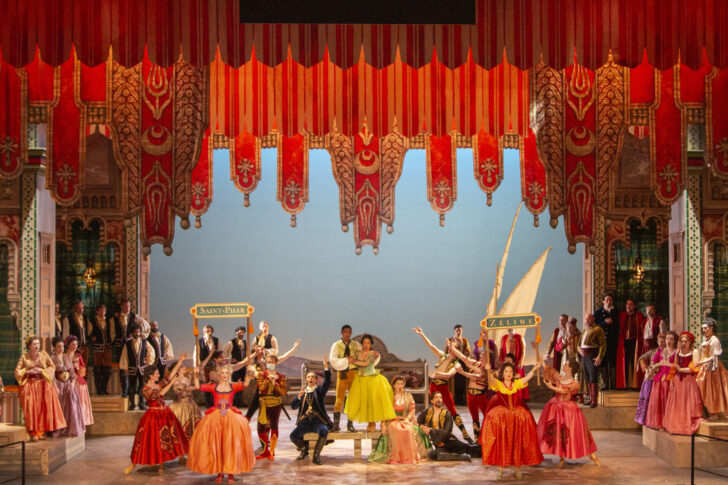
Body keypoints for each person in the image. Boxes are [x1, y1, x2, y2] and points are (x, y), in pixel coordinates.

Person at [187, 363, 256, 484]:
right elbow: (198, 387)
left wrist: (249, 372)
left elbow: (245, 384)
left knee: (230, 445)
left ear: (229, 374)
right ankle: (220, 472)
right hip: (216, 418)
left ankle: (230, 473)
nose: (224, 375)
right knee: (218, 445)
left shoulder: (233, 386)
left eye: (226, 373)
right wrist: (196, 374)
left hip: (230, 418)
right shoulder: (213, 386)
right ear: (219, 374)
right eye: (222, 373)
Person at [480, 353, 544, 480]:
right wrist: (488, 371)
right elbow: (491, 381)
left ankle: (517, 468)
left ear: (513, 374)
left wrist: (534, 369)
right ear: (502, 373)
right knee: (502, 442)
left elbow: (527, 378)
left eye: (510, 371)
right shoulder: (499, 384)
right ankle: (500, 469)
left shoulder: (516, 384)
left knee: (517, 442)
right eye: (506, 371)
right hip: (503, 418)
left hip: (516, 417)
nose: (508, 373)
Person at [124, 355, 189, 476]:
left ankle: (164, 463)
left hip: (165, 413)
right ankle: (133, 464)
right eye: (157, 374)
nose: (159, 375)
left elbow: (170, 376)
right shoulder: (145, 389)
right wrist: (172, 383)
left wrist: (180, 361)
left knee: (169, 438)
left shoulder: (159, 384)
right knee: (150, 440)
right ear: (150, 375)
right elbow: (160, 394)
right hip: (153, 416)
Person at [412, 326, 474, 443]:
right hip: (434, 386)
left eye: (453, 346)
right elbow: (431, 345)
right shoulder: (442, 356)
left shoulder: (456, 363)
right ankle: (434, 435)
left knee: (452, 410)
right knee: (434, 409)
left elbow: (449, 375)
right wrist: (422, 334)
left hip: (443, 387)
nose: (450, 347)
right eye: (450, 345)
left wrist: (437, 374)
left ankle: (465, 435)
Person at [537, 357, 599, 468]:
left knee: (575, 433)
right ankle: (561, 457)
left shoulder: (575, 383)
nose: (564, 366)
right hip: (556, 407)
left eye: (566, 364)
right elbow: (548, 369)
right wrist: (538, 355)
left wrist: (551, 387)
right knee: (557, 432)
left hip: (568, 410)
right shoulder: (560, 378)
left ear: (570, 368)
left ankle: (591, 454)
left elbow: (564, 391)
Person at [369, 375, 430, 464]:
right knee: (398, 429)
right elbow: (384, 411)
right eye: (398, 384)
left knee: (408, 430)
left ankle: (408, 457)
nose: (400, 386)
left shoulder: (408, 396)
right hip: (392, 420)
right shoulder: (389, 396)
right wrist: (383, 424)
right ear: (393, 385)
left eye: (402, 384)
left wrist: (407, 419)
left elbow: (412, 409)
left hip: (404, 419)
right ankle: (397, 457)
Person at [14, 335, 66, 440]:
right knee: (32, 408)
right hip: (30, 385)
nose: (37, 346)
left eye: (38, 343)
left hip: (43, 384)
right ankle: (34, 432)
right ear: (29, 346)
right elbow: (17, 371)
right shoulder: (24, 357)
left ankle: (41, 432)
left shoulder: (44, 354)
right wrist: (27, 371)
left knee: (43, 408)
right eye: (34, 344)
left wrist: (42, 371)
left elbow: (52, 366)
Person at [344, 334, 396, 431]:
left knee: (373, 402)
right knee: (366, 402)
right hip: (361, 379)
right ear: (362, 344)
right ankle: (370, 423)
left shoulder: (373, 353)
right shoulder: (357, 353)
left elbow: (366, 364)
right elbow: (350, 359)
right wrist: (350, 359)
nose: (366, 345)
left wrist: (353, 362)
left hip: (372, 379)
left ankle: (374, 423)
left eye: (368, 343)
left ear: (371, 344)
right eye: (364, 343)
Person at [291, 356, 333, 465]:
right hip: (305, 421)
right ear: (306, 380)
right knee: (293, 436)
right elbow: (293, 406)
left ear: (316, 380)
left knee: (324, 430)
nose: (310, 379)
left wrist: (326, 368)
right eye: (308, 377)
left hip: (317, 420)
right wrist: (298, 397)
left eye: (313, 377)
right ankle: (304, 450)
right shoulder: (303, 393)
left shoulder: (319, 392)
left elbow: (327, 382)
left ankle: (316, 455)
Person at [416, 391, 479, 462]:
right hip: (440, 445)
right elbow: (418, 421)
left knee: (474, 450)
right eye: (436, 397)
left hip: (450, 442)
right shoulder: (427, 412)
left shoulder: (447, 413)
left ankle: (471, 451)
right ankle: (461, 457)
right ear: (432, 401)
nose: (439, 399)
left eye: (440, 397)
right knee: (432, 454)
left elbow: (446, 432)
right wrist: (422, 426)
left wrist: (430, 430)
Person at [447, 339, 490, 439]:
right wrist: (452, 348)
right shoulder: (476, 363)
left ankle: (486, 438)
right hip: (471, 395)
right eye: (482, 354)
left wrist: (463, 372)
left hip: (481, 396)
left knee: (487, 417)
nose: (481, 356)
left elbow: (476, 377)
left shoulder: (488, 370)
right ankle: (477, 440)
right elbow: (463, 358)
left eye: (484, 355)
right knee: (475, 419)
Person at [663, 332, 704, 435]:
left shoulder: (694, 352)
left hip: (689, 380)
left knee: (688, 401)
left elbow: (694, 368)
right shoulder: (678, 352)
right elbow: (674, 367)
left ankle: (687, 424)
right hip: (678, 380)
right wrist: (671, 380)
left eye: (686, 341)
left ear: (690, 342)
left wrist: (681, 369)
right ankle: (677, 424)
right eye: (682, 341)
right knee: (678, 402)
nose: (683, 343)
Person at [113, 299, 150, 398]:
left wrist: (141, 336)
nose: (127, 308)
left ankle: (135, 391)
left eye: (129, 306)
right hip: (120, 345)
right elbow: (112, 331)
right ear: (121, 307)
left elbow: (146, 326)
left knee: (134, 367)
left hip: (132, 345)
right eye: (125, 306)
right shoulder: (116, 317)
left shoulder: (134, 317)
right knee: (123, 368)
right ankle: (125, 391)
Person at [329, 324, 364, 432]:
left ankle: (350, 424)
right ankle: (336, 424)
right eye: (345, 332)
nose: (347, 334)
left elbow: (361, 358)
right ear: (342, 333)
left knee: (352, 398)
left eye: (349, 332)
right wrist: (345, 361)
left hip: (353, 373)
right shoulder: (336, 345)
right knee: (339, 398)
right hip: (342, 373)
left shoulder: (356, 345)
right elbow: (333, 360)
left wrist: (354, 360)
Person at [50, 337, 86, 437]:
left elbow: (72, 372)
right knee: (60, 404)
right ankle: (60, 429)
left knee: (72, 399)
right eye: (58, 346)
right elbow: (51, 374)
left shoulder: (66, 356)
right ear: (54, 347)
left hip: (68, 383)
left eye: (62, 346)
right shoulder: (52, 358)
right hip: (58, 383)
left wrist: (73, 382)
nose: (61, 349)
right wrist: (55, 385)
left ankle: (72, 428)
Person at [255, 353, 287, 460]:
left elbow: (283, 392)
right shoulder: (261, 375)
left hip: (275, 404)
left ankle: (272, 451)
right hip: (264, 404)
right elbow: (260, 387)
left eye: (272, 362)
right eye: (268, 362)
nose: (270, 364)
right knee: (261, 428)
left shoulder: (281, 376)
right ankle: (265, 450)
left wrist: (275, 384)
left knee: (274, 426)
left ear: (276, 363)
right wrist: (267, 379)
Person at [694, 318, 728, 419]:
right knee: (705, 390)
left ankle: (716, 412)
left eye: (706, 328)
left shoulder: (714, 340)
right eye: (703, 328)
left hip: (713, 368)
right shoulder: (706, 339)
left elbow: (714, 357)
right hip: (705, 368)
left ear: (711, 328)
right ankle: (710, 412)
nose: (704, 330)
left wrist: (701, 362)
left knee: (714, 391)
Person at [645, 331, 678, 430]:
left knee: (668, 401)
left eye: (671, 339)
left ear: (675, 341)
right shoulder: (660, 351)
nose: (668, 341)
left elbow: (678, 366)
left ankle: (668, 423)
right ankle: (660, 422)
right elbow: (653, 364)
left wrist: (669, 364)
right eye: (667, 339)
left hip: (670, 378)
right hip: (659, 379)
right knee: (659, 401)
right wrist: (658, 364)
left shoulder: (676, 352)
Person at [119, 324, 156, 410]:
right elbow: (124, 355)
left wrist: (149, 360)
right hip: (132, 369)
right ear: (132, 333)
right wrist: (125, 367)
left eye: (139, 332)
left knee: (142, 386)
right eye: (135, 332)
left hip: (142, 369)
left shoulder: (144, 342)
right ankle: (132, 404)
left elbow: (151, 351)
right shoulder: (128, 344)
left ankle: (141, 403)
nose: (137, 333)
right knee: (132, 386)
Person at [635, 333, 667, 426]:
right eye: (659, 341)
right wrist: (644, 366)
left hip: (660, 376)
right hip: (650, 376)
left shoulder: (667, 351)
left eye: (663, 341)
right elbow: (641, 357)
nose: (661, 343)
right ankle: (645, 418)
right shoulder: (653, 351)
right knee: (647, 396)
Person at [578, 313, 607, 408]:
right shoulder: (584, 331)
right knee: (587, 377)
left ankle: (595, 400)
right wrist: (579, 349)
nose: (586, 321)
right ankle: (590, 398)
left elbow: (603, 344)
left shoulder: (598, 329)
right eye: (585, 319)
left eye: (588, 319)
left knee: (593, 377)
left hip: (592, 355)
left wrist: (599, 357)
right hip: (584, 357)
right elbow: (579, 344)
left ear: (593, 319)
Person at [169, 366, 202, 447]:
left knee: (192, 427)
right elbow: (177, 389)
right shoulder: (175, 380)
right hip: (180, 405)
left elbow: (196, 386)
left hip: (191, 405)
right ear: (177, 370)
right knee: (181, 425)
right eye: (182, 367)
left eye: (184, 367)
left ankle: (191, 446)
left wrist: (196, 374)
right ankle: (181, 447)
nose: (184, 368)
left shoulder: (189, 377)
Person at [65, 336, 93, 426]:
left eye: (76, 345)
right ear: (68, 345)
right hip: (65, 379)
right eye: (72, 344)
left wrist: (78, 369)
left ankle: (80, 422)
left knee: (80, 402)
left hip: (78, 380)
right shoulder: (64, 356)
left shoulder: (78, 356)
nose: (74, 346)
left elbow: (83, 369)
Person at [617, 299, 645, 389]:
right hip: (625, 342)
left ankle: (634, 384)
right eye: (627, 304)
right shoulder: (622, 315)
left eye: (631, 304)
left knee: (634, 362)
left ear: (634, 306)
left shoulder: (639, 316)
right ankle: (625, 384)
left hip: (634, 342)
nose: (628, 306)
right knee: (625, 363)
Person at [594, 293, 619, 390]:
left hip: (613, 341)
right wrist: (604, 323)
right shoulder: (598, 312)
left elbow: (619, 325)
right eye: (607, 300)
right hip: (602, 341)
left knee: (612, 361)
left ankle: (613, 384)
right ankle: (605, 384)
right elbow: (595, 327)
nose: (609, 302)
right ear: (603, 301)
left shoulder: (616, 312)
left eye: (610, 300)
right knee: (603, 362)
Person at [88, 304, 112, 395]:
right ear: (97, 311)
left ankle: (104, 388)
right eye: (101, 311)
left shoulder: (108, 321)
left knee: (107, 370)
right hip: (97, 348)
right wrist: (92, 338)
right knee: (98, 369)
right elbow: (88, 332)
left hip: (107, 348)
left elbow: (112, 332)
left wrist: (111, 341)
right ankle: (99, 389)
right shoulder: (92, 321)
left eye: (104, 311)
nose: (102, 312)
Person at [636, 304, 662, 387]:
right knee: (644, 364)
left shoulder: (659, 321)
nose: (649, 312)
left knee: (654, 366)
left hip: (654, 346)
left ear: (654, 311)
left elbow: (662, 336)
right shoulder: (644, 322)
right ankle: (645, 385)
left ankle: (654, 384)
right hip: (645, 347)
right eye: (648, 310)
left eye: (651, 310)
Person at [500, 328, 529, 401]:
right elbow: (501, 349)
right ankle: (507, 396)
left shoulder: (519, 337)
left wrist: (521, 361)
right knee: (506, 378)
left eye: (511, 329)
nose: (510, 331)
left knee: (517, 379)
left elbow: (523, 350)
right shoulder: (504, 338)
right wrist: (501, 360)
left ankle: (519, 397)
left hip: (517, 363)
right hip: (507, 362)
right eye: (509, 330)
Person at [223, 326, 248, 408]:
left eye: (243, 332)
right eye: (240, 332)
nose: (242, 334)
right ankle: (233, 402)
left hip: (243, 366)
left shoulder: (245, 342)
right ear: (236, 332)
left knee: (241, 384)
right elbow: (224, 354)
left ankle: (240, 401)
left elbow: (246, 353)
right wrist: (230, 360)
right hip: (235, 366)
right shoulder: (231, 342)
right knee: (234, 384)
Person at [449, 324, 471, 406]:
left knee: (463, 381)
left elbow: (468, 351)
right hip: (454, 363)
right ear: (454, 331)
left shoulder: (464, 340)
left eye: (460, 330)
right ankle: (454, 399)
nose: (458, 332)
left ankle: (463, 400)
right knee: (454, 382)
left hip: (463, 363)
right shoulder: (451, 340)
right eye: (457, 330)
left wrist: (465, 353)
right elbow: (446, 351)